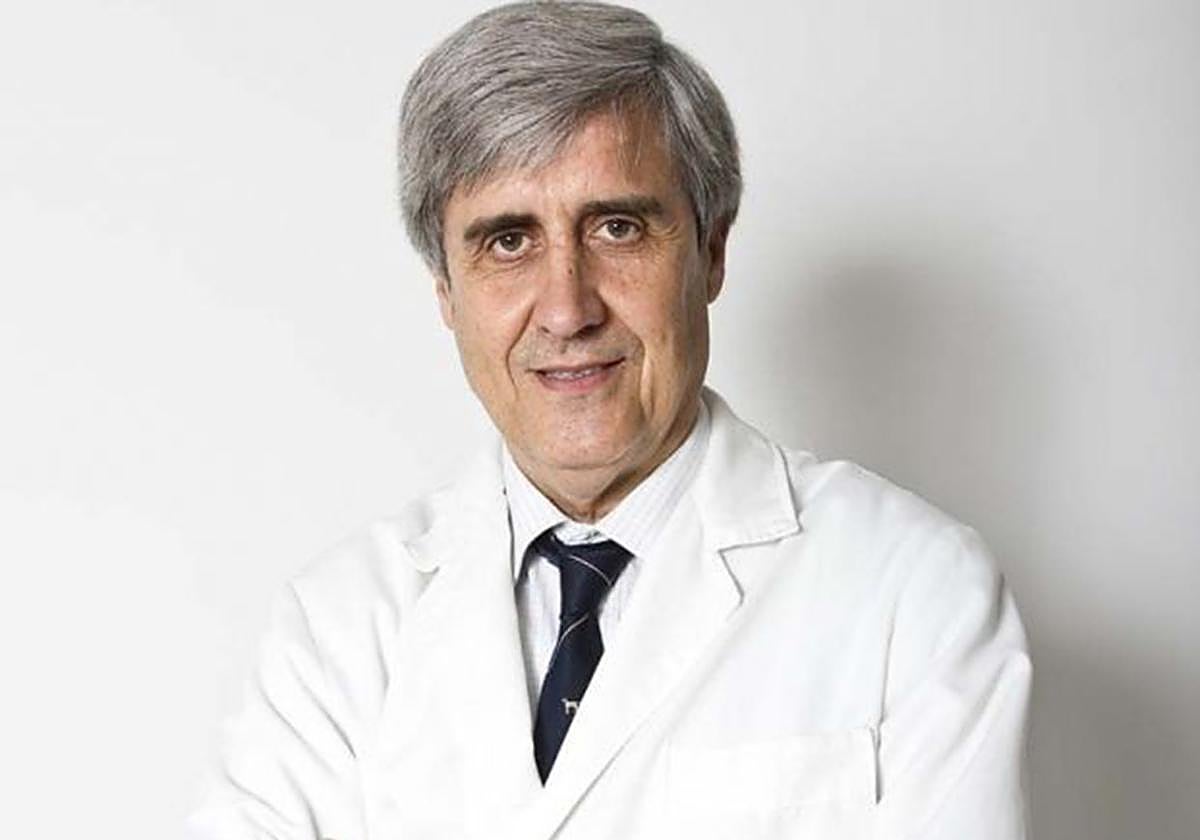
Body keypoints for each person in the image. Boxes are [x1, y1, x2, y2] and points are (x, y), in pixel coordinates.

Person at [188, 3, 1031, 838]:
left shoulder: (911, 588)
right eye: (508, 242)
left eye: (617, 228)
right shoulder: (341, 624)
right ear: (444, 289)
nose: (567, 309)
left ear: (711, 251)